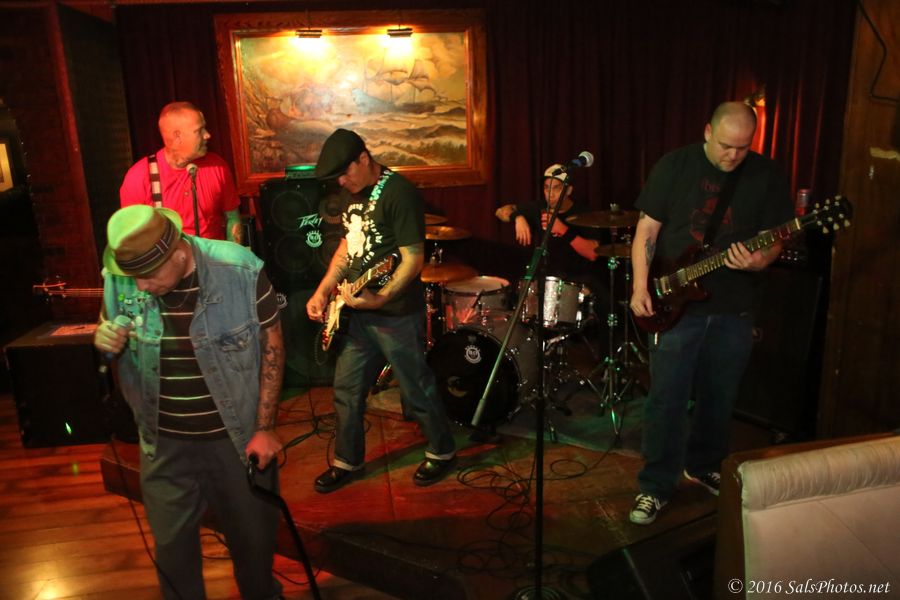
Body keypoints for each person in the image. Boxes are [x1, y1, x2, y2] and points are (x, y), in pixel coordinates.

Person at [93, 204, 284, 598]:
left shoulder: (240, 269)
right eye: (133, 277)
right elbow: (108, 329)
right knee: (173, 557)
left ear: (179, 252)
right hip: (163, 443)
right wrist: (104, 338)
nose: (140, 286)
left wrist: (265, 428)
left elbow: (273, 344)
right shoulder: (120, 277)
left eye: (149, 275)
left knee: (254, 549)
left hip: (235, 441)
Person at [628, 101, 793, 525]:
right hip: (675, 301)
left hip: (735, 306)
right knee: (666, 398)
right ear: (707, 131)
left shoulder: (767, 175)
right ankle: (655, 486)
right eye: (725, 145)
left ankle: (703, 466)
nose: (733, 155)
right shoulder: (675, 165)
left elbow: (774, 238)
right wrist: (640, 285)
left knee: (720, 397)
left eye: (742, 147)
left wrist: (760, 260)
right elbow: (647, 228)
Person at [306, 128, 457, 493]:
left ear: (363, 158)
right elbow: (348, 246)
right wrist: (324, 290)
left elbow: (412, 259)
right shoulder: (350, 193)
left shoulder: (399, 193)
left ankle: (442, 451)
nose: (341, 183)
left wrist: (381, 298)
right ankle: (347, 460)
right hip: (355, 310)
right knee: (346, 388)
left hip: (396, 314)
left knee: (415, 387)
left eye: (345, 173)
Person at [120, 101, 243, 243]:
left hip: (212, 254)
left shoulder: (217, 166)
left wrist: (233, 254)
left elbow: (233, 218)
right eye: (199, 130)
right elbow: (132, 237)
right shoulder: (138, 176)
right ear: (177, 136)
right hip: (170, 255)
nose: (207, 135)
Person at [495, 164, 603, 288]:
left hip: (577, 281)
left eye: (556, 188)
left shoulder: (584, 213)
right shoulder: (539, 207)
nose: (550, 194)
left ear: (568, 190)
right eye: (546, 188)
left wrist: (562, 229)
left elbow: (592, 253)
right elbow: (500, 211)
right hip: (546, 280)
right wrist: (517, 217)